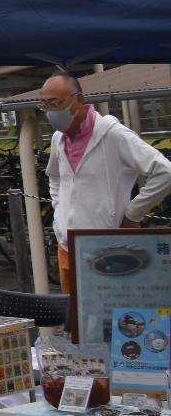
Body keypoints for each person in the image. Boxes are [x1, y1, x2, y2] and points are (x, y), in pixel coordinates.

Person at [41, 72, 171, 292]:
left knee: (107, 317)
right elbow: (54, 175)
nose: (50, 112)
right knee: (73, 321)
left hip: (106, 248)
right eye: (44, 105)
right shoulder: (58, 138)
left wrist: (133, 214)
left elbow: (165, 172)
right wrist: (58, 207)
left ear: (78, 100)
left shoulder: (114, 136)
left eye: (55, 103)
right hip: (66, 246)